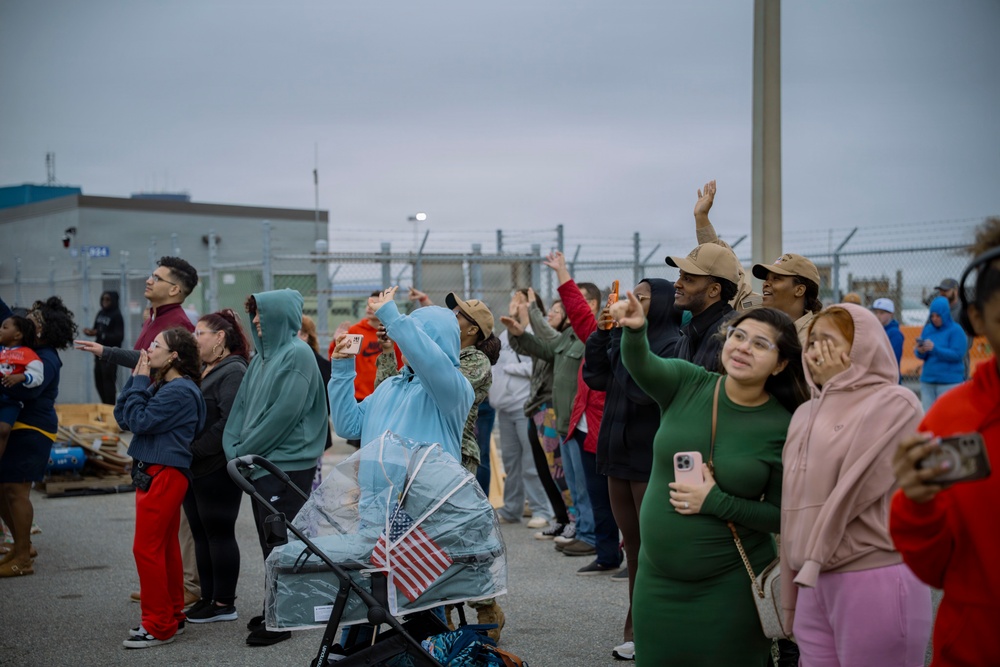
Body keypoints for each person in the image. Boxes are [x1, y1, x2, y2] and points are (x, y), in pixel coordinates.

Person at [612, 294, 808, 667]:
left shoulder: (784, 426)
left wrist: (715, 500)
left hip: (730, 590)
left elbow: (785, 516)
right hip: (656, 585)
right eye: (739, 336)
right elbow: (642, 365)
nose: (744, 348)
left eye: (760, 344)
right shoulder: (688, 383)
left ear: (781, 364)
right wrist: (636, 330)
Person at [780, 304, 931, 665]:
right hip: (813, 581)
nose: (816, 351)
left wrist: (836, 386)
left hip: (871, 572)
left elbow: (854, 484)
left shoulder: (896, 402)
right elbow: (791, 507)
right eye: (811, 342)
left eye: (829, 342)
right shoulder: (804, 412)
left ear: (863, 348)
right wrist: (791, 592)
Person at [890, 219, 1000, 666]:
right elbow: (933, 567)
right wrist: (915, 505)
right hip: (975, 647)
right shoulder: (952, 419)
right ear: (978, 319)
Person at [74, 256, 201, 607]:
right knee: (161, 541)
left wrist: (126, 371)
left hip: (162, 449)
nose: (148, 281)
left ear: (175, 289)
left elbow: (150, 371)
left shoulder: (175, 326)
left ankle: (164, 611)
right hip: (152, 436)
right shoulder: (158, 318)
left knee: (153, 543)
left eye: (156, 277)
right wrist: (113, 356)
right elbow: (145, 362)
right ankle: (169, 601)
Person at [222, 289, 329, 647]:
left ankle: (286, 616)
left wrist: (242, 451)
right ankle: (277, 606)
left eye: (262, 315)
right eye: (253, 315)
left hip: (284, 464)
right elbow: (240, 411)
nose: (255, 321)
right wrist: (233, 448)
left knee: (281, 543)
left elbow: (282, 418)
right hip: (258, 462)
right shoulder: (262, 359)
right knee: (271, 541)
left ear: (281, 315)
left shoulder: (298, 355)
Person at [582, 278, 681, 661]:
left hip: (648, 456)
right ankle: (638, 630)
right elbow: (597, 378)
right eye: (629, 297)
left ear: (656, 307)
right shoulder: (624, 339)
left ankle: (648, 630)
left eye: (639, 299)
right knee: (634, 548)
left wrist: (624, 343)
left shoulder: (671, 342)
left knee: (654, 548)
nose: (629, 304)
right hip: (617, 453)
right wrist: (604, 333)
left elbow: (641, 389)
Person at [114, 328, 206, 648]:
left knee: (146, 549)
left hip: (164, 473)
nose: (148, 349)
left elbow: (138, 422)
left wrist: (140, 382)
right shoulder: (164, 385)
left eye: (156, 345)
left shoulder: (179, 391)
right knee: (164, 548)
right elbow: (123, 417)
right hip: (158, 471)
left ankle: (158, 624)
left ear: (173, 356)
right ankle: (173, 614)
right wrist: (138, 379)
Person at [182, 310, 250, 625]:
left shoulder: (233, 370)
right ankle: (208, 598)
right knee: (201, 534)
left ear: (219, 337)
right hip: (196, 467)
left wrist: (193, 451)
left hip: (215, 468)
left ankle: (224, 602)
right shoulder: (208, 369)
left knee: (218, 533)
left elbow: (228, 424)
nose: (194, 339)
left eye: (200, 333)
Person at [0, 296, 76, 578]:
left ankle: (22, 557)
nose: (24, 321)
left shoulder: (46, 358)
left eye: (31, 320)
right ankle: (21, 546)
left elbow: (29, 391)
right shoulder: (25, 349)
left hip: (34, 429)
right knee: (4, 491)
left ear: (41, 330)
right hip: (20, 425)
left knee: (16, 491)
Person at [490, 290, 553, 529]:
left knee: (531, 462)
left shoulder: (538, 332)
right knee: (511, 461)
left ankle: (542, 510)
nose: (516, 306)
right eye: (514, 301)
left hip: (524, 407)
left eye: (522, 302)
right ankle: (512, 508)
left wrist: (511, 371)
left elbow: (540, 366)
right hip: (504, 409)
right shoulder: (506, 334)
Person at [329, 291, 403, 446]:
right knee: (361, 449)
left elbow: (400, 363)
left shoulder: (392, 333)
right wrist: (335, 342)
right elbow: (338, 359)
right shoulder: (356, 331)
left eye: (374, 304)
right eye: (367, 305)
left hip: (384, 395)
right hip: (361, 396)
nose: (369, 308)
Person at [666, 243, 741, 371]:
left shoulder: (736, 333)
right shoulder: (685, 339)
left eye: (688, 279)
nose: (677, 284)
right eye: (680, 276)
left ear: (714, 290)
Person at [751, 253, 823, 343]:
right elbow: (742, 299)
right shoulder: (764, 322)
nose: (765, 283)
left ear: (799, 290)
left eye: (776, 278)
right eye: (766, 279)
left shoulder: (814, 337)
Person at [0, 314, 43, 459]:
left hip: (11, 401)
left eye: (5, 327)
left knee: (3, 430)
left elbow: (38, 376)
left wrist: (22, 377)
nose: (0, 330)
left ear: (17, 334)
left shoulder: (28, 354)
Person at [915, 295, 968, 411]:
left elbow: (958, 354)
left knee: (948, 416)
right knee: (929, 416)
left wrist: (935, 349)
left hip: (949, 382)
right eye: (932, 315)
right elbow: (920, 355)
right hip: (928, 381)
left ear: (945, 314)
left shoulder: (956, 330)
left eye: (938, 316)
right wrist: (921, 351)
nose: (934, 319)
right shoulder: (928, 329)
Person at [81, 291, 124, 404]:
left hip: (110, 354)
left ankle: (110, 409)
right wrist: (90, 332)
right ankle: (104, 406)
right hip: (98, 354)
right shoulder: (101, 313)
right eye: (103, 299)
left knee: (108, 383)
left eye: (108, 299)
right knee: (98, 381)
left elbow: (119, 336)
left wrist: (100, 333)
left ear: (113, 301)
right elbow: (96, 329)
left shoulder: (117, 315)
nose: (105, 302)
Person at [871, 297, 904, 372]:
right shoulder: (874, 330)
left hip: (888, 375)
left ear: (891, 314)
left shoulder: (894, 333)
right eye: (876, 312)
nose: (878, 316)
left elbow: (893, 359)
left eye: (882, 313)